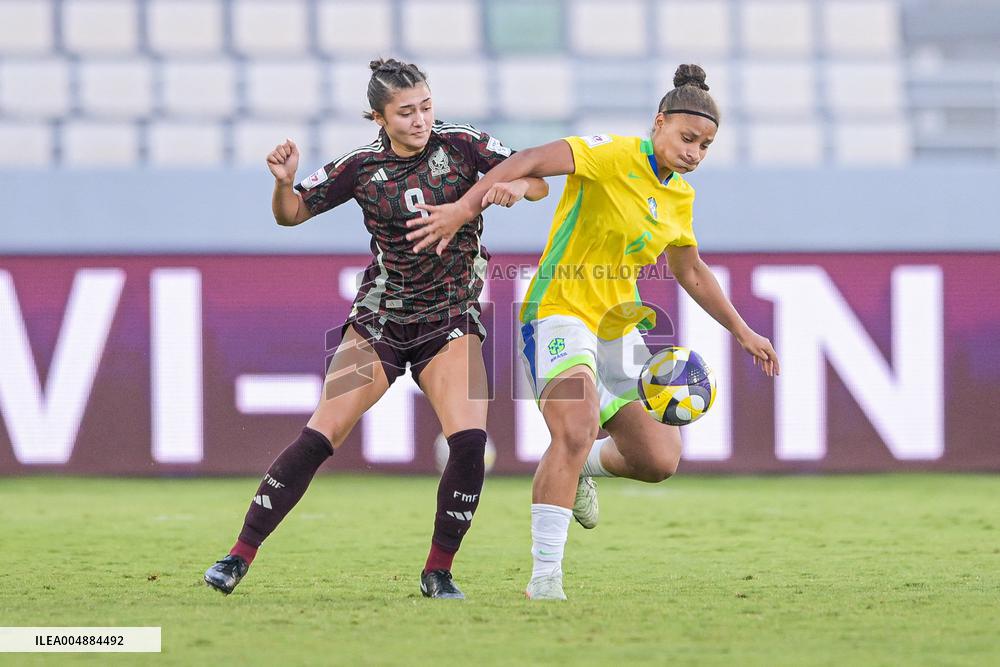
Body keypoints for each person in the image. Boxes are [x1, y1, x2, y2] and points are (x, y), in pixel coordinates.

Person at [405, 64, 780, 600]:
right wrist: (467, 208)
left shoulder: (680, 198)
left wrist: (743, 332)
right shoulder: (609, 154)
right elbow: (531, 160)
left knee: (659, 459)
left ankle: (581, 468)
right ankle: (545, 579)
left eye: (705, 145)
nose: (694, 152)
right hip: (557, 311)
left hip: (617, 326)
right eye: (687, 137)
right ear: (659, 122)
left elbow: (691, 270)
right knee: (575, 428)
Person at [203, 58, 548, 599]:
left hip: (451, 318)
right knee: (321, 435)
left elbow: (538, 181)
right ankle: (237, 557)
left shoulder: (463, 144)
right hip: (380, 320)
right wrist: (284, 183)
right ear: (379, 118)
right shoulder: (361, 167)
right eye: (406, 112)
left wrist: (513, 189)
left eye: (426, 106)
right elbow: (290, 214)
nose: (420, 119)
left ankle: (438, 572)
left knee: (469, 444)